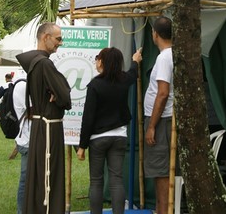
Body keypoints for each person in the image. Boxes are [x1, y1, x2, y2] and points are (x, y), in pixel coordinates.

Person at [77, 46, 143, 214]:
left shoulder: (94, 85)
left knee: (96, 182)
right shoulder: (124, 80)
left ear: (102, 62)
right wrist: (136, 60)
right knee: (116, 180)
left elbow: (88, 117)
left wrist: (82, 146)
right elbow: (133, 73)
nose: (96, 61)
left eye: (98, 58)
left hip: (98, 139)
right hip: (119, 136)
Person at [16, 22, 71, 214]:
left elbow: (61, 93)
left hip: (41, 126)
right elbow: (65, 96)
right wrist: (60, 92)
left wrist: (59, 91)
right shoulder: (45, 63)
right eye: (58, 39)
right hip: (48, 128)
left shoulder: (35, 62)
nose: (60, 43)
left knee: (40, 175)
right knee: (49, 175)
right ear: (45, 37)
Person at [143, 16, 173, 214]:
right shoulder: (171, 54)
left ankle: (163, 210)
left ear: (155, 33)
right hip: (163, 118)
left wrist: (152, 125)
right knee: (161, 171)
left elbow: (162, 93)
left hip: (161, 120)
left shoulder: (164, 57)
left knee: (161, 172)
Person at [12, 75, 31, 214]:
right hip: (27, 141)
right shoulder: (23, 86)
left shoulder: (25, 84)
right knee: (25, 180)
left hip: (29, 139)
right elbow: (34, 110)